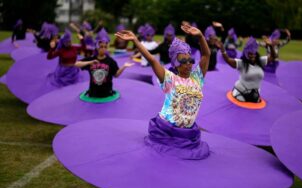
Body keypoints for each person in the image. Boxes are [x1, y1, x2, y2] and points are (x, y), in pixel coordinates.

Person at [115, 23, 211, 160]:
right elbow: (152, 60)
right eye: (183, 60)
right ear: (176, 63)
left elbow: (206, 55)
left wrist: (201, 36)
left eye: (190, 60)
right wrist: (135, 40)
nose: (189, 63)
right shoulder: (170, 79)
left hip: (188, 135)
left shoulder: (197, 78)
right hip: (167, 132)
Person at [75, 28, 133, 98]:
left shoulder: (111, 61)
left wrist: (124, 66)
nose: (103, 49)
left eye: (105, 47)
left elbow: (116, 75)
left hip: (107, 93)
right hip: (94, 93)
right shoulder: (91, 59)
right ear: (97, 47)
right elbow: (76, 64)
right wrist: (89, 62)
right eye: (101, 47)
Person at [217, 37, 277, 103]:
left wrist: (271, 46)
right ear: (246, 54)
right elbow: (228, 60)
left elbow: (273, 57)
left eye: (254, 53)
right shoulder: (242, 63)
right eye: (250, 54)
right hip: (240, 93)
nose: (253, 55)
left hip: (255, 94)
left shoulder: (260, 61)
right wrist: (223, 50)